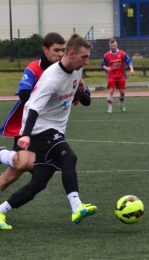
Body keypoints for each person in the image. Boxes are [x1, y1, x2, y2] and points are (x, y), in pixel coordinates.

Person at [0, 33, 97, 230]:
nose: (87, 61)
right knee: (69, 158)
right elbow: (33, 106)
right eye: (84, 57)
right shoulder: (51, 78)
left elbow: (84, 99)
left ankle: (1, 210)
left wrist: (82, 92)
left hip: (56, 129)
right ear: (72, 54)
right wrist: (26, 134)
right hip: (40, 129)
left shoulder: (76, 70)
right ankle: (76, 206)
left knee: (39, 182)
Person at [101, 38, 134, 113]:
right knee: (111, 90)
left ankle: (121, 104)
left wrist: (131, 69)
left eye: (114, 45)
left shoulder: (122, 53)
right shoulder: (106, 55)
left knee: (122, 92)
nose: (113, 47)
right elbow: (103, 64)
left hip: (121, 75)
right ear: (109, 46)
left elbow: (129, 61)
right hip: (111, 75)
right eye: (112, 46)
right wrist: (107, 68)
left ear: (117, 45)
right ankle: (109, 107)